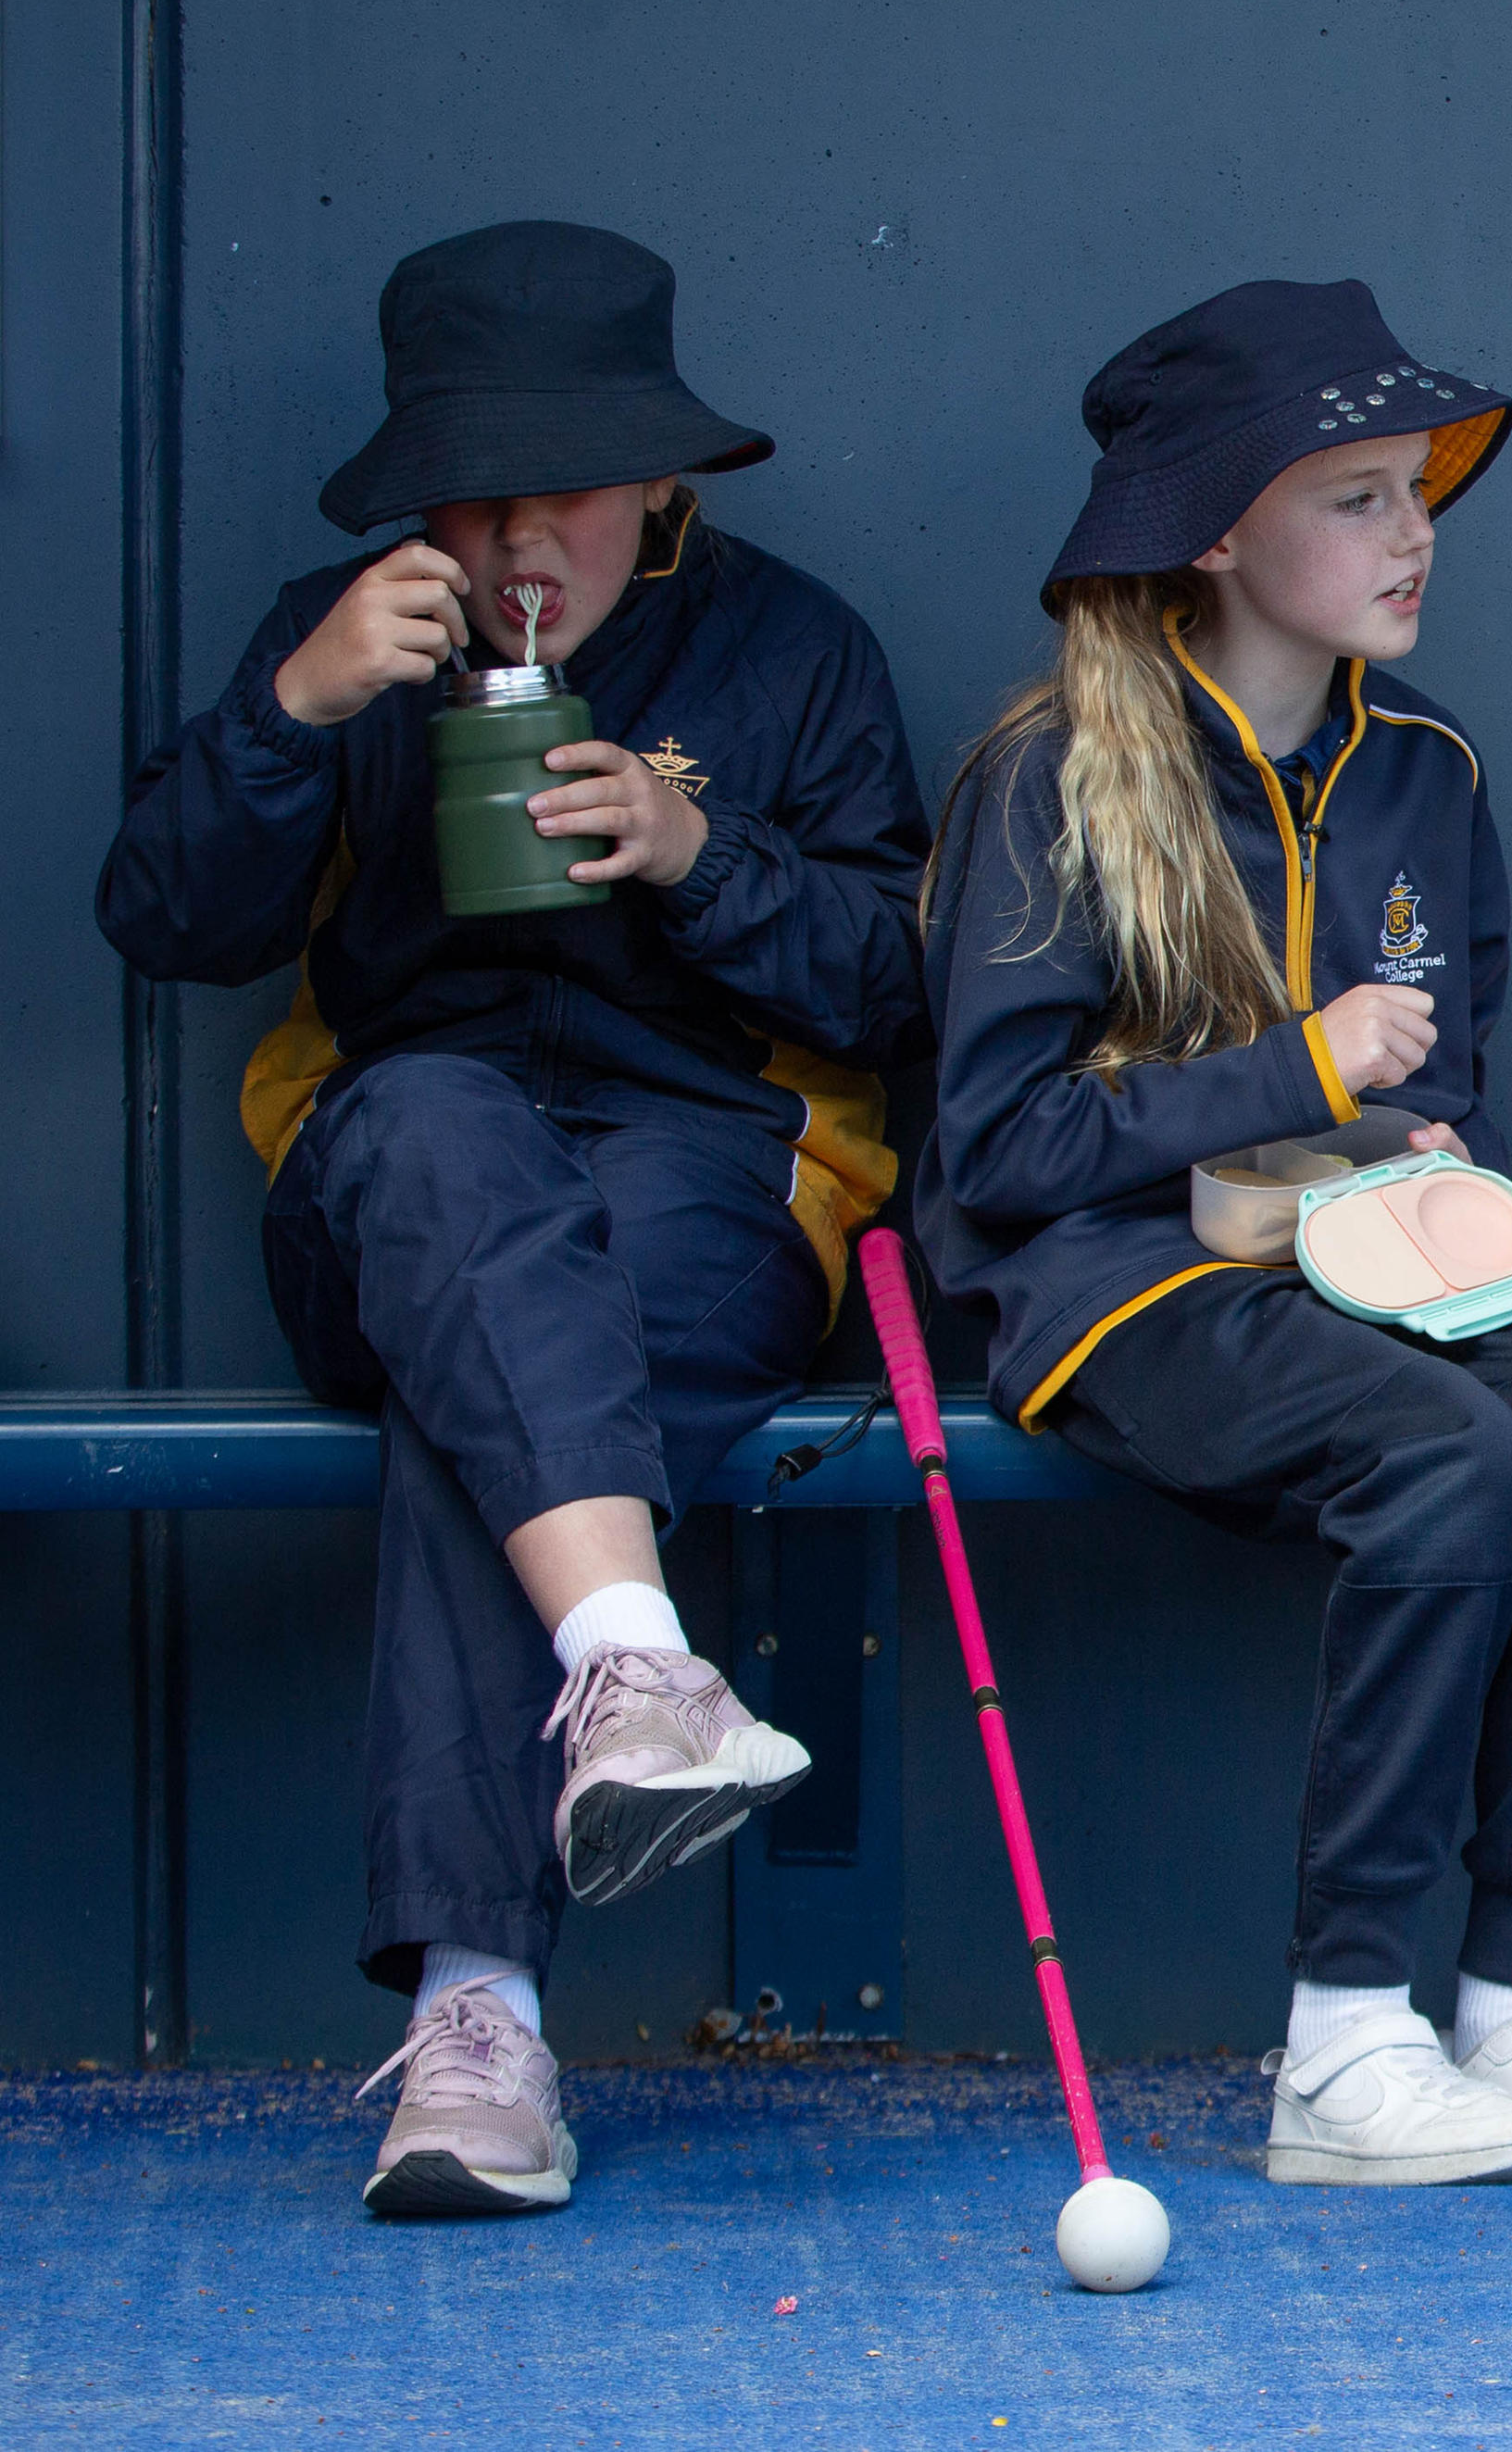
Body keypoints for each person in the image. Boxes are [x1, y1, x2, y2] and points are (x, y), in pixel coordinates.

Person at [99, 220, 929, 2216]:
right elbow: (165, 917)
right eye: (464, 492)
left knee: (498, 1379)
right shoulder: (351, 628)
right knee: (449, 1141)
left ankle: (481, 2024)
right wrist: (295, 711)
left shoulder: (789, 648)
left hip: (704, 1165)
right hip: (398, 1162)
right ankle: (637, 1659)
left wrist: (692, 847)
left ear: (662, 478)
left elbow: (903, 983)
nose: (506, 536)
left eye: (553, 487)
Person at [914, 277, 1512, 2189]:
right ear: (1215, 526)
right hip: (1112, 1278)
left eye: (1417, 487)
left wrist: (1458, 1148)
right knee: (1445, 1459)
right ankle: (1346, 2039)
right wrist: (1296, 1064)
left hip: (1382, 1257)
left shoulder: (1424, 762)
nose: (1413, 529)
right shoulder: (1051, 770)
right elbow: (1005, 1140)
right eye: (1355, 493)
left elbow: (1459, 1069)